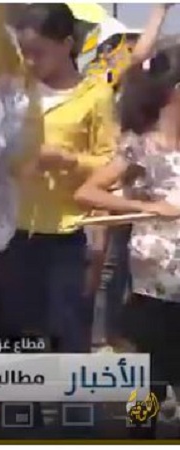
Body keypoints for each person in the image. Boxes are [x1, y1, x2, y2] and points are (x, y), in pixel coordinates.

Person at [0, 3, 118, 355]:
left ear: (66, 44)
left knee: (69, 340)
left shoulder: (95, 96)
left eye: (39, 52)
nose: (31, 61)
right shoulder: (15, 90)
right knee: (20, 342)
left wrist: (68, 160)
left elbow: (112, 165)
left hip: (69, 236)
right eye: (25, 52)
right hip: (14, 234)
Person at [74, 45, 180, 439]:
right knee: (149, 380)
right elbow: (87, 192)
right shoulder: (141, 146)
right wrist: (147, 207)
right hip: (155, 285)